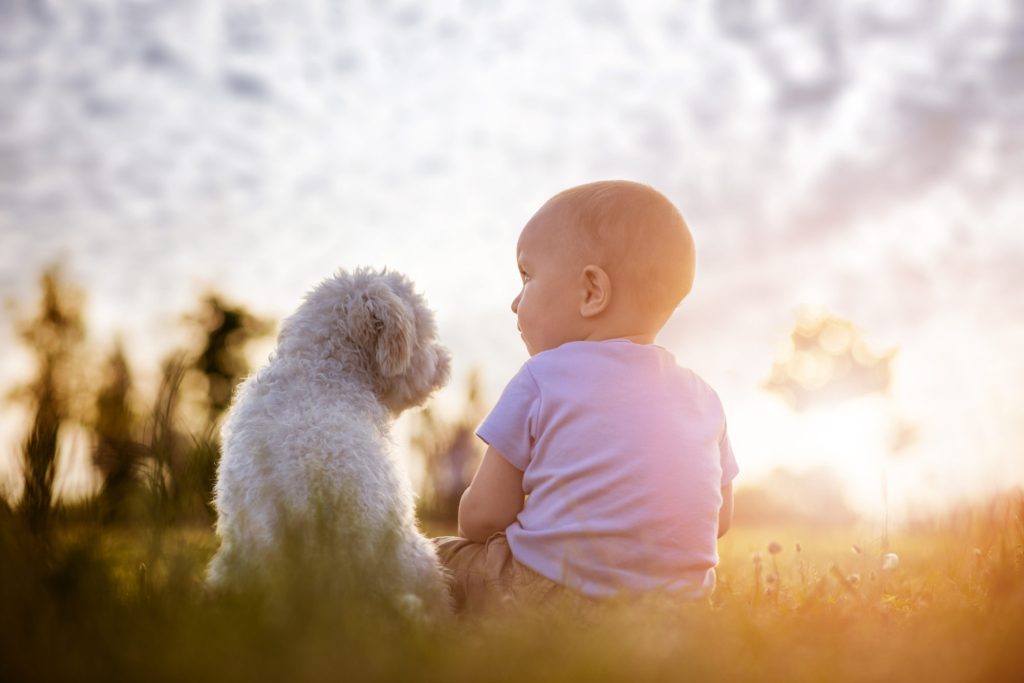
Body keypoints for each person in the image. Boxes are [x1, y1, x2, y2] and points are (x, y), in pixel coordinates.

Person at [435, 180, 738, 614]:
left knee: (435, 558)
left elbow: (481, 518)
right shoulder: (705, 398)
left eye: (527, 277)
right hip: (674, 614)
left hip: (544, 598)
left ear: (592, 292)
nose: (515, 303)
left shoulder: (542, 377)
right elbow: (719, 522)